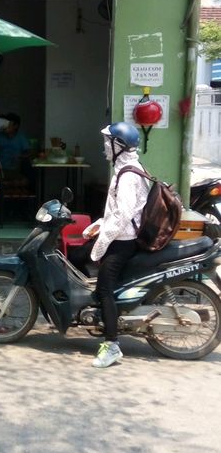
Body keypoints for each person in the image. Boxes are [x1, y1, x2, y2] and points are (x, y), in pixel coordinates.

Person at [84, 122, 150, 370]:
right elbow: (116, 212)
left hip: (123, 242)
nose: (104, 148)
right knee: (80, 258)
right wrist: (99, 225)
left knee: (104, 289)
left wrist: (102, 242)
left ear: (118, 146)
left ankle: (112, 345)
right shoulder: (125, 168)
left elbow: (123, 215)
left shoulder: (128, 175)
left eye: (107, 143)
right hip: (120, 236)